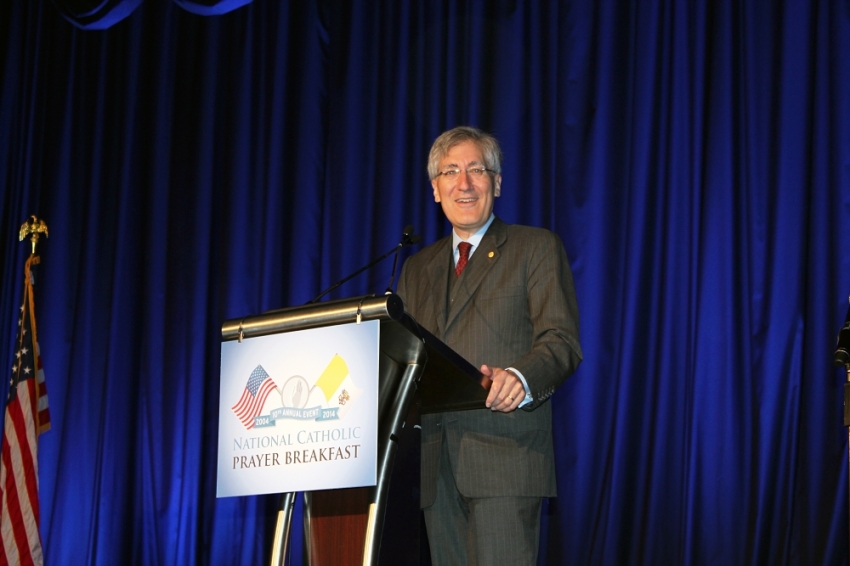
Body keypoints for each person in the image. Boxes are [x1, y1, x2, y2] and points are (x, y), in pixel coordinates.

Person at [397, 126, 583, 565]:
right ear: (435, 189)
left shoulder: (534, 247)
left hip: (505, 456)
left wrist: (520, 377)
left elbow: (561, 340)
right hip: (434, 467)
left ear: (496, 183)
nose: (464, 183)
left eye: (477, 170)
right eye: (451, 172)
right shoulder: (416, 268)